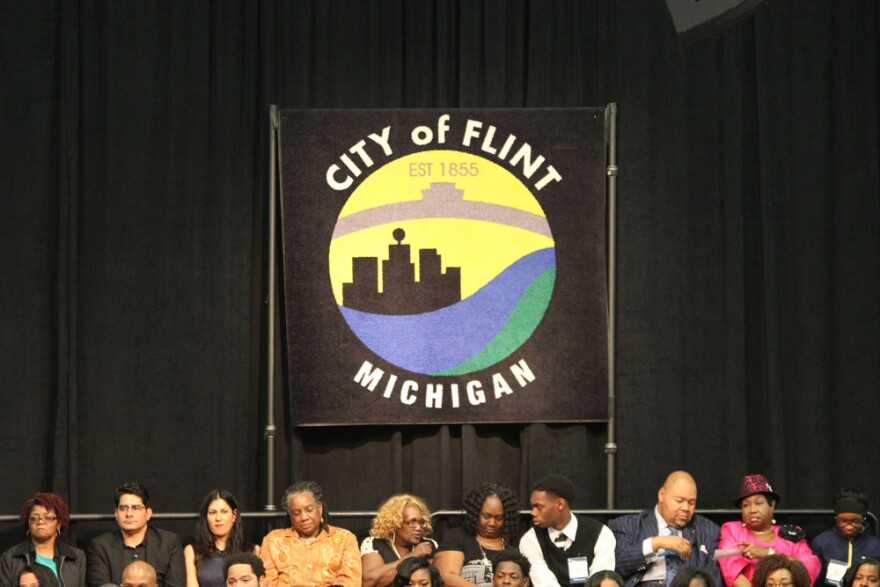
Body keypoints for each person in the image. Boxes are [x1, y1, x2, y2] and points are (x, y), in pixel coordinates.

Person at [610, 471, 721, 587]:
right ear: (661, 495)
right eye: (679, 501)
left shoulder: (708, 529)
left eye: (691, 503)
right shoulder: (629, 525)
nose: (686, 508)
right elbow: (618, 566)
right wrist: (656, 543)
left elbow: (713, 579)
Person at [718, 475, 820, 587]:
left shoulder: (790, 534)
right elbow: (731, 570)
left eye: (759, 503)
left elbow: (810, 566)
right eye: (746, 505)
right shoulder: (732, 530)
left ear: (772, 505)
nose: (752, 510)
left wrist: (768, 554)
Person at [519, 474, 615, 587]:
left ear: (560, 504)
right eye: (532, 507)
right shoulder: (531, 539)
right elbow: (544, 582)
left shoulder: (601, 534)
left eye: (538, 507)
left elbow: (600, 581)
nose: (533, 513)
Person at [259, 480, 361, 587]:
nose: (304, 518)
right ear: (290, 515)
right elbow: (267, 582)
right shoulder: (273, 541)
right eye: (296, 513)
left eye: (309, 510)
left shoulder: (344, 538)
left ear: (320, 508)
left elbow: (350, 582)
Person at [86, 481, 185, 587]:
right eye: (123, 508)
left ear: (148, 513)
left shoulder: (168, 542)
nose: (129, 514)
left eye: (136, 508)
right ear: (116, 514)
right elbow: (101, 585)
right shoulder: (100, 546)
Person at [434, 482, 521, 587]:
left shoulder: (514, 543)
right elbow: (446, 576)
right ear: (476, 513)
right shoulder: (457, 536)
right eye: (486, 516)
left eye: (498, 518)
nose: (492, 523)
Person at [0, 492, 86, 587]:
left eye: (48, 518)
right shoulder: (11, 558)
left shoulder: (76, 557)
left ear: (58, 523)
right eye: (34, 518)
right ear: (28, 523)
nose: (40, 522)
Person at [184, 489, 259, 587]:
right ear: (206, 517)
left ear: (234, 515)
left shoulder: (253, 550)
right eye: (212, 513)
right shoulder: (192, 552)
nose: (218, 518)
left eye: (224, 512)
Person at [361, 494, 438, 587]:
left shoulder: (428, 545)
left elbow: (437, 581)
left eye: (421, 522)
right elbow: (369, 581)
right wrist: (412, 556)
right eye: (412, 522)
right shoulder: (375, 544)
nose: (418, 527)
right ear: (396, 523)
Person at [811, 490, 880, 585]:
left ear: (864, 519)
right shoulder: (821, 543)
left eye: (856, 521)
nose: (849, 527)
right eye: (843, 521)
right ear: (836, 518)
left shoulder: (876, 546)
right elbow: (817, 580)